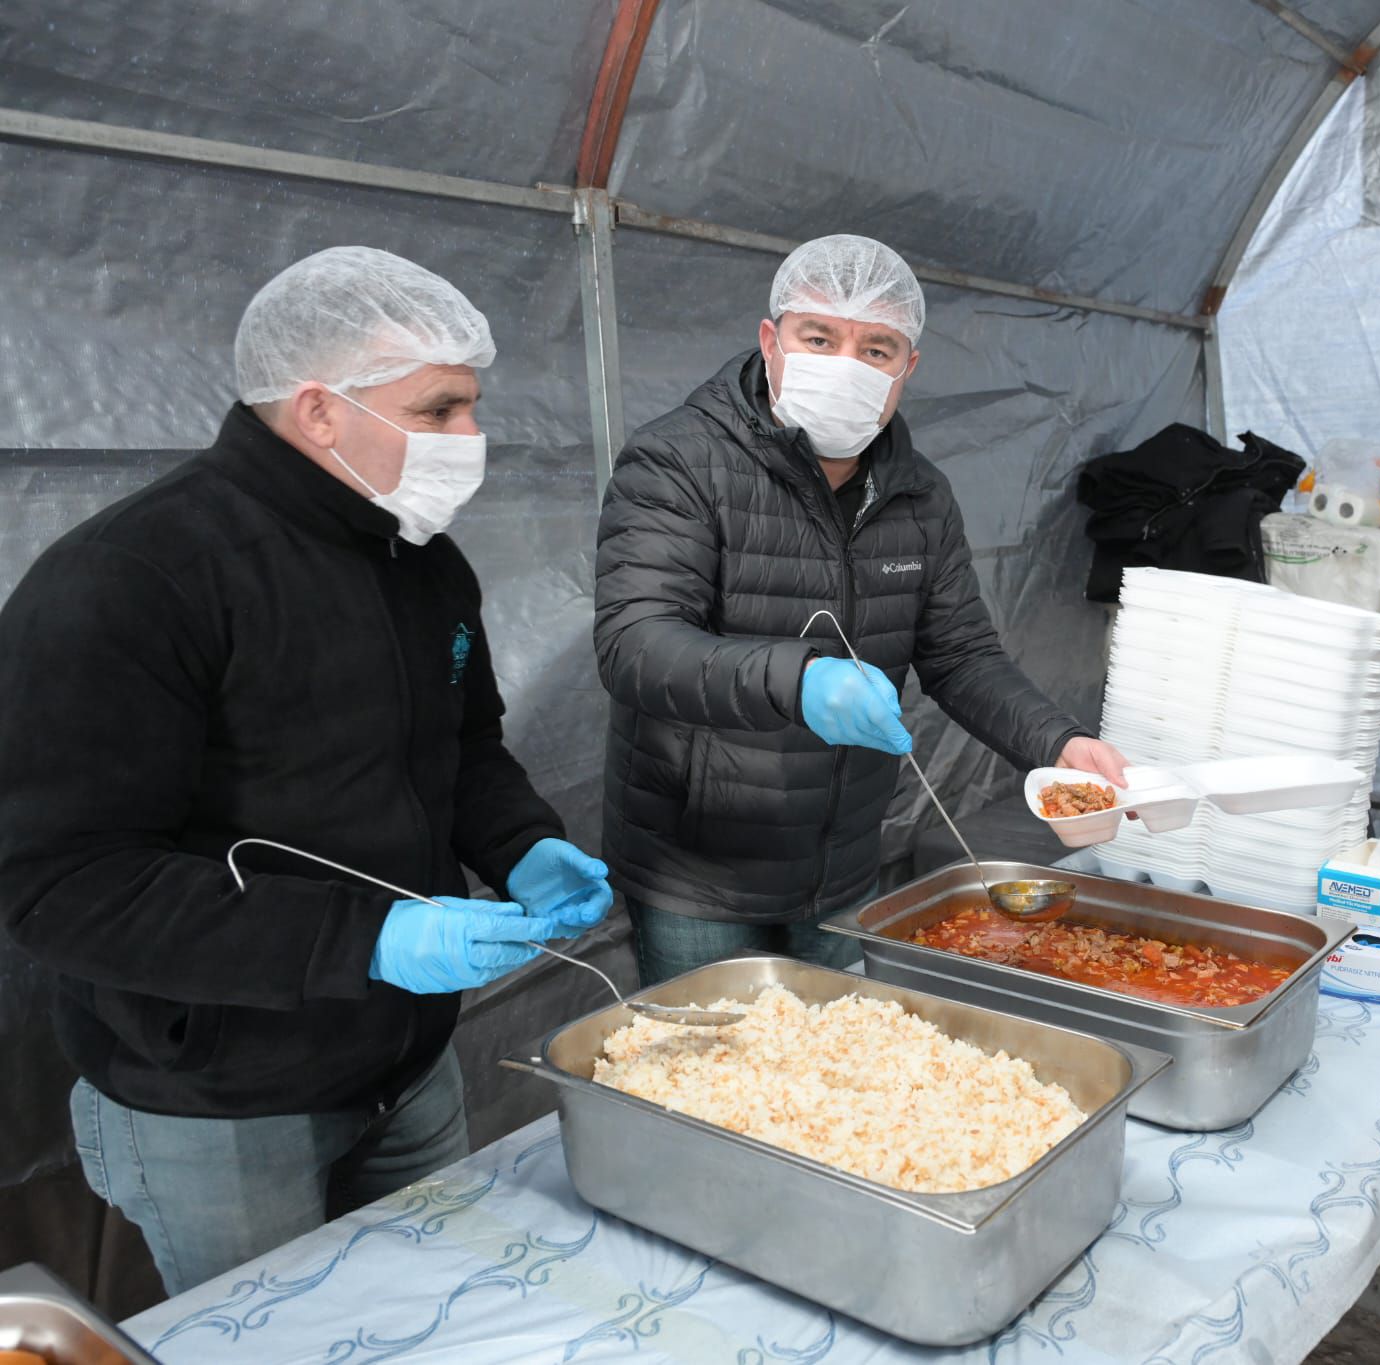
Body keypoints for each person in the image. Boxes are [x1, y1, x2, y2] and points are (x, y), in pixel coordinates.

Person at [0, 246, 612, 1295]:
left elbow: (462, 748)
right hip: (223, 1102)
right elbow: (61, 883)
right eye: (439, 409)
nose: (472, 437)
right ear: (321, 410)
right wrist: (369, 939)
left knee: (436, 1310)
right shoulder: (134, 578)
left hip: (406, 1066)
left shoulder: (422, 561)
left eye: (472, 406)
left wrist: (523, 844)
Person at [594, 233, 1126, 984]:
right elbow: (637, 644)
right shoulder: (680, 461)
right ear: (771, 342)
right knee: (711, 1052)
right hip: (699, 873)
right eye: (820, 339)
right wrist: (799, 680)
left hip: (841, 863)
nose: (846, 365)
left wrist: (1058, 742)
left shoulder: (919, 494)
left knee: (840, 1048)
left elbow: (961, 655)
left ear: (907, 369)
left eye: (877, 349)